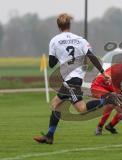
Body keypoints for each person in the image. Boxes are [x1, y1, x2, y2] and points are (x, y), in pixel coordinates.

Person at [33, 13, 109, 144]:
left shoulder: (54, 40)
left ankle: (106, 100)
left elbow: (51, 64)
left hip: (70, 80)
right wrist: (102, 72)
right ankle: (49, 136)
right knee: (56, 104)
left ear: (58, 26)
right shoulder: (80, 39)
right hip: (75, 78)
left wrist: (59, 55)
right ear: (69, 25)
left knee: (82, 110)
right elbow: (91, 56)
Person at [91, 54, 122, 135]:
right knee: (111, 104)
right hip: (98, 86)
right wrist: (118, 94)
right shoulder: (119, 69)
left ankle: (110, 126)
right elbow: (111, 81)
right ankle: (99, 127)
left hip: (111, 90)